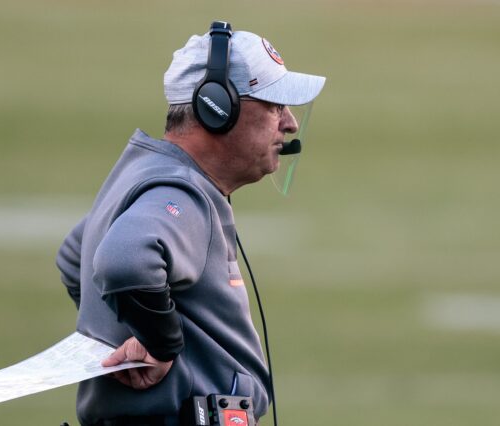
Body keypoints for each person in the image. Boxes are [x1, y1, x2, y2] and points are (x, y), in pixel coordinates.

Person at [56, 22, 325, 426]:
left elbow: (75, 252)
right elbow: (124, 260)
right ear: (218, 109)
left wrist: (128, 328)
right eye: (274, 106)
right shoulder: (184, 193)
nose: (290, 124)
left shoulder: (146, 171)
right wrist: (159, 345)